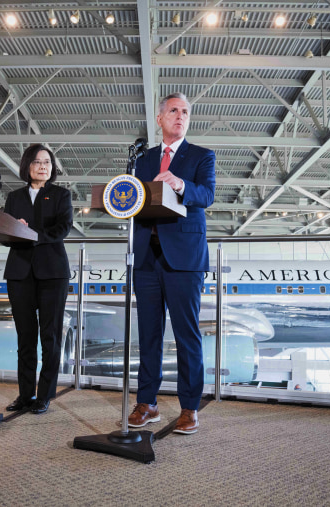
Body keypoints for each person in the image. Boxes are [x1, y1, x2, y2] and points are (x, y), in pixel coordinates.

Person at [128, 92, 216, 434]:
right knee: (148, 334)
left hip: (184, 258)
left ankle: (189, 408)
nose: (180, 116)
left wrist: (180, 184)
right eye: (174, 111)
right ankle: (147, 403)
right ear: (160, 118)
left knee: (186, 335)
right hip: (146, 257)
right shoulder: (142, 160)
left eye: (185, 112)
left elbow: (206, 195)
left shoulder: (201, 156)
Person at [3, 144, 73, 414]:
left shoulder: (60, 194)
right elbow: (7, 232)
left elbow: (63, 228)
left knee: (50, 338)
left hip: (53, 273)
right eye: (37, 162)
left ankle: (44, 395)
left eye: (47, 162)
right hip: (20, 272)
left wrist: (32, 234)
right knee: (25, 338)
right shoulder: (14, 197)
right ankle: (24, 395)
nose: (43, 166)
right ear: (27, 166)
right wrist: (15, 230)